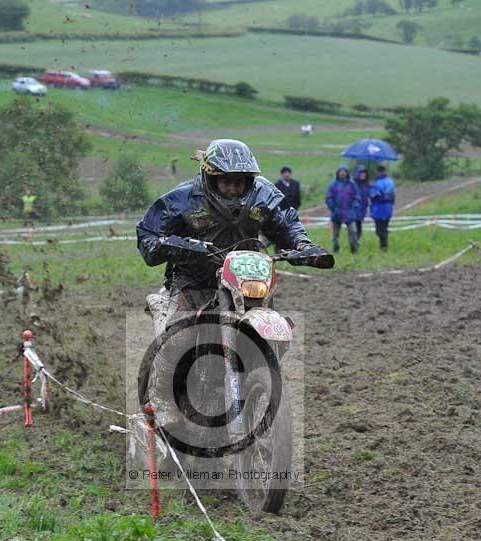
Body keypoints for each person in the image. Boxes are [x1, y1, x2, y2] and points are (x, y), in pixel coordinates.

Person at [137, 138, 333, 427]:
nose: (233, 188)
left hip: (246, 279)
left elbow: (286, 223)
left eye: (239, 182)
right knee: (179, 338)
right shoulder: (181, 199)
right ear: (209, 177)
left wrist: (302, 245)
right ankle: (165, 401)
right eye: (225, 182)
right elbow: (148, 235)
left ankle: (259, 383)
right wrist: (169, 244)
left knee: (269, 330)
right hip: (195, 279)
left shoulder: (264, 195)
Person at [325, 164, 359, 254]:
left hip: (349, 213)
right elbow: (328, 198)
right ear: (338, 173)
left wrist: (354, 207)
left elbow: (357, 197)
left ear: (347, 173)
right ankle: (336, 250)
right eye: (341, 171)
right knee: (335, 235)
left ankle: (354, 251)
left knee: (353, 232)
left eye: (344, 171)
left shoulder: (352, 185)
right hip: (336, 213)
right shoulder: (333, 185)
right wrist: (333, 208)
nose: (342, 173)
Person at [369, 165, 396, 251]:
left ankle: (384, 246)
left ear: (378, 172)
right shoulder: (390, 182)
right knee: (383, 228)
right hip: (386, 208)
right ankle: (383, 246)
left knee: (380, 229)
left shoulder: (378, 183)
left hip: (380, 208)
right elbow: (392, 196)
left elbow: (374, 196)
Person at [353, 164, 370, 241]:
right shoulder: (353, 184)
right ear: (357, 173)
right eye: (361, 173)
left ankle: (357, 242)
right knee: (354, 227)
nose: (363, 174)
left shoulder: (366, 184)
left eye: (365, 173)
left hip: (363, 209)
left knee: (359, 226)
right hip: (354, 209)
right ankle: (354, 243)